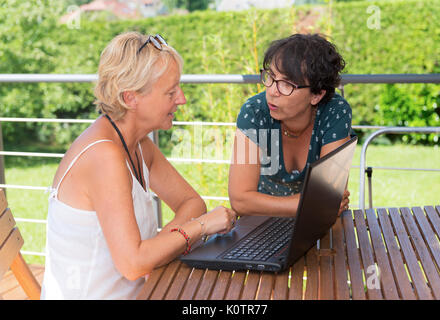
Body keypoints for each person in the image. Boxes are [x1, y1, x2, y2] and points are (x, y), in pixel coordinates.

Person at [41, 32, 236, 300]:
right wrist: (200, 227)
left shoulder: (138, 144)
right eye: (171, 92)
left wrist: (159, 249)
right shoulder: (104, 156)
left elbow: (191, 202)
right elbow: (133, 265)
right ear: (130, 98)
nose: (182, 99)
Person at [229, 33, 355, 217]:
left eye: (287, 84)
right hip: (259, 226)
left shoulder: (334, 111)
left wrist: (321, 205)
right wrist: (305, 205)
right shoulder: (254, 113)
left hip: (314, 228)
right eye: (270, 77)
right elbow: (240, 200)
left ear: (316, 95)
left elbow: (331, 198)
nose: (272, 91)